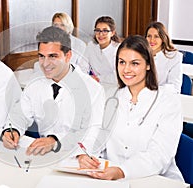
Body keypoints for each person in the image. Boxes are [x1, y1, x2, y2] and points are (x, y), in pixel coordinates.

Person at [77, 35, 184, 182]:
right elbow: (95, 135)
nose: (126, 69)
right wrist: (84, 155)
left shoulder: (168, 100)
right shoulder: (110, 98)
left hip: (157, 179)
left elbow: (160, 155)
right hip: (110, 177)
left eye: (134, 63)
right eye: (122, 62)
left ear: (148, 65)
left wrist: (123, 171)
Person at [1, 26, 105, 156]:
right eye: (41, 56)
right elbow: (19, 115)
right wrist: (12, 130)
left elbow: (92, 136)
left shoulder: (92, 89)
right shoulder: (35, 83)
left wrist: (55, 141)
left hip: (77, 159)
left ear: (68, 56)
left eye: (52, 56)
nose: (45, 64)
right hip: (44, 156)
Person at [78, 16, 121, 85]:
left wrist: (97, 78)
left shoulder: (118, 49)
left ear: (112, 33)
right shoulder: (91, 46)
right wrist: (88, 78)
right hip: (94, 84)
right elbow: (82, 67)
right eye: (98, 30)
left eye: (105, 31)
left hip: (113, 86)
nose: (100, 34)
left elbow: (118, 77)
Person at [145, 21, 183, 93]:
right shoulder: (141, 55)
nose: (152, 40)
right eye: (149, 36)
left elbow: (175, 87)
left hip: (163, 97)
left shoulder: (175, 57)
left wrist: (151, 90)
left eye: (156, 36)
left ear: (163, 38)